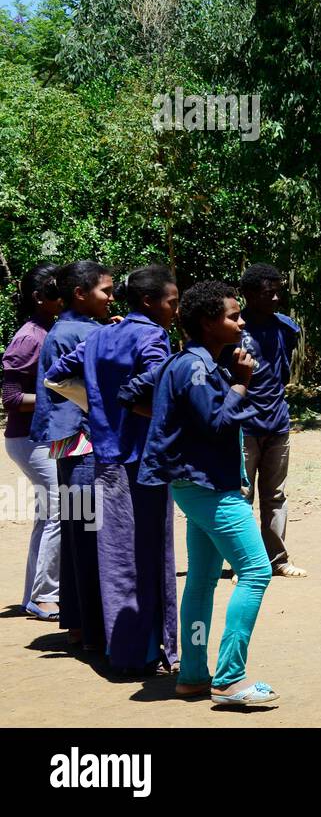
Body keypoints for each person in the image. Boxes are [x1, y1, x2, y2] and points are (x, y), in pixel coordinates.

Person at [138, 281, 278, 706]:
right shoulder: (196, 367)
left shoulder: (189, 363)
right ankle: (230, 677)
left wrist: (174, 420)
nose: (240, 322)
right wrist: (241, 382)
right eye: (233, 316)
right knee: (256, 572)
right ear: (207, 322)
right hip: (208, 489)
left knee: (200, 582)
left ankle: (194, 674)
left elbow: (132, 394)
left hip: (193, 484)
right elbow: (217, 423)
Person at [47, 265, 179, 675]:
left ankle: (122, 651)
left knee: (117, 556)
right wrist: (138, 407)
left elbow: (55, 376)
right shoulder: (152, 335)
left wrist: (100, 405)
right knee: (153, 555)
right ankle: (161, 649)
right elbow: (158, 379)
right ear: (149, 301)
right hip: (145, 459)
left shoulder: (100, 335)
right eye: (172, 302)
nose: (176, 310)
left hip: (106, 458)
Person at [32, 261, 114, 647]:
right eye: (105, 291)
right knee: (89, 532)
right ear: (80, 294)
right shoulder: (80, 332)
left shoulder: (63, 330)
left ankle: (80, 621)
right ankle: (94, 627)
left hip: (66, 442)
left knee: (76, 529)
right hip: (83, 441)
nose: (111, 297)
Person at [235, 263, 305, 578]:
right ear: (249, 294)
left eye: (278, 291)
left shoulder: (287, 328)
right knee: (241, 496)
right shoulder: (234, 330)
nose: (276, 298)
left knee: (275, 495)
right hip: (243, 427)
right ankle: (243, 563)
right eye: (268, 292)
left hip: (277, 424)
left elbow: (282, 371)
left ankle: (277, 560)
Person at [2, 263, 63, 620]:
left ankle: (36, 594)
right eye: (58, 289)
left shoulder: (48, 329)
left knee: (50, 514)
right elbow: (10, 398)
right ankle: (44, 596)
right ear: (39, 297)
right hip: (27, 438)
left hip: (41, 437)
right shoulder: (29, 336)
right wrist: (60, 396)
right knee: (59, 510)